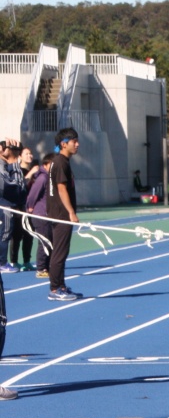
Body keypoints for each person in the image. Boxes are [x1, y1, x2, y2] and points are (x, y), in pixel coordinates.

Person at [46, 128, 82, 301]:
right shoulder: (61, 162)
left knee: (62, 251)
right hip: (60, 214)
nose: (77, 144)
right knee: (59, 252)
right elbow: (61, 189)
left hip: (58, 213)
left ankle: (60, 285)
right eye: (74, 141)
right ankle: (54, 289)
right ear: (64, 143)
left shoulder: (60, 161)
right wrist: (71, 212)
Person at [25, 153, 54, 279]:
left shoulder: (50, 177)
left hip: (47, 215)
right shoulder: (43, 178)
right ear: (46, 164)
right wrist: (30, 207)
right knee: (44, 241)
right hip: (40, 214)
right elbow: (32, 194)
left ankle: (46, 266)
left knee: (50, 241)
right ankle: (41, 268)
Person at [9, 147, 39, 270]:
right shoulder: (17, 170)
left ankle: (27, 261)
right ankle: (14, 261)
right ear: (20, 156)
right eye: (26, 154)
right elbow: (19, 186)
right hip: (18, 207)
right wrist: (31, 173)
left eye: (30, 153)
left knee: (29, 235)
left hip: (31, 208)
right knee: (17, 236)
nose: (29, 156)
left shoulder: (37, 171)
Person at [0, 139, 27, 274]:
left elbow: (20, 192)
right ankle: (2, 261)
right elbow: (16, 189)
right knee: (4, 234)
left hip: (7, 207)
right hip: (3, 208)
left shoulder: (5, 166)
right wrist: (13, 161)